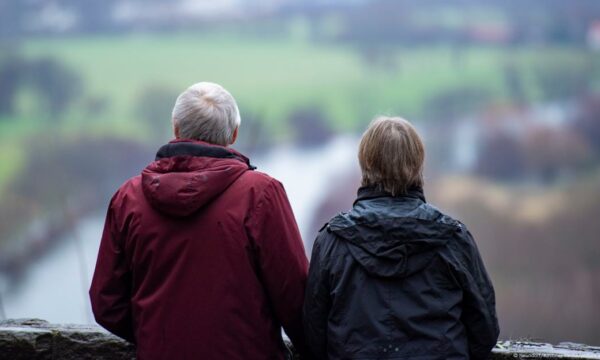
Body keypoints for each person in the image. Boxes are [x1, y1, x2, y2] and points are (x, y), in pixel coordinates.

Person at [90, 82, 310, 360]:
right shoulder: (260, 194)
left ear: (176, 129)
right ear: (234, 134)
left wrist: (159, 334)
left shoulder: (128, 199)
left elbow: (106, 302)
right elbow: (294, 297)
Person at [303, 117, 499, 360]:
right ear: (417, 164)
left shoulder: (333, 241)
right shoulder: (453, 239)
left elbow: (313, 336)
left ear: (365, 164)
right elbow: (485, 331)